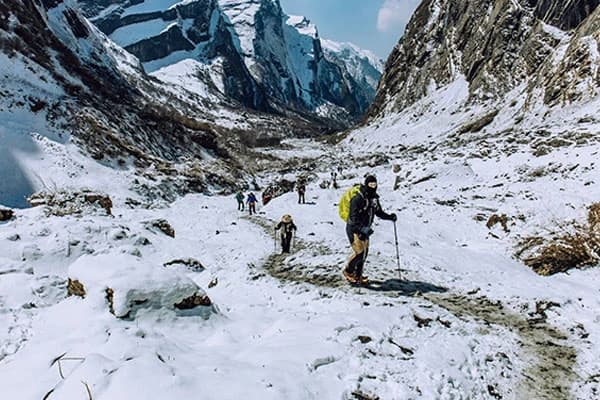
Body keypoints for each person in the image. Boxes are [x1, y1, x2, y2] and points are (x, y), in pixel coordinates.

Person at [343, 175, 397, 285]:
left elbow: (378, 212)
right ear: (366, 184)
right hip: (354, 229)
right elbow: (353, 219)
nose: (373, 186)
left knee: (364, 254)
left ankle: (358, 275)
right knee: (359, 253)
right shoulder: (357, 199)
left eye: (374, 184)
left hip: (365, 229)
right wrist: (362, 228)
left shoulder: (374, 199)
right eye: (370, 184)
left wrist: (390, 217)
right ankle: (348, 272)